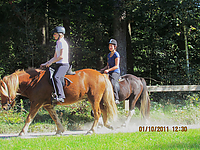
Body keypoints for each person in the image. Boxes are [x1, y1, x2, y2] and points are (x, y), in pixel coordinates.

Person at [40, 26, 72, 102]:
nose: (53, 35)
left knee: (56, 77)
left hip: (64, 65)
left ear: (60, 34)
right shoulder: (58, 43)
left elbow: (61, 56)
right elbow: (55, 56)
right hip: (58, 64)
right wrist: (46, 63)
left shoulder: (62, 43)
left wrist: (51, 62)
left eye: (55, 34)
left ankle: (61, 96)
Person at [101, 39, 120, 104]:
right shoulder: (109, 55)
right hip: (109, 71)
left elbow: (116, 66)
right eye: (109, 46)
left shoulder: (116, 54)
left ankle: (116, 98)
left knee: (113, 82)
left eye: (111, 46)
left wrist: (108, 70)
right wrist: (103, 69)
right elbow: (108, 65)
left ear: (115, 46)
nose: (110, 47)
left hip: (115, 72)